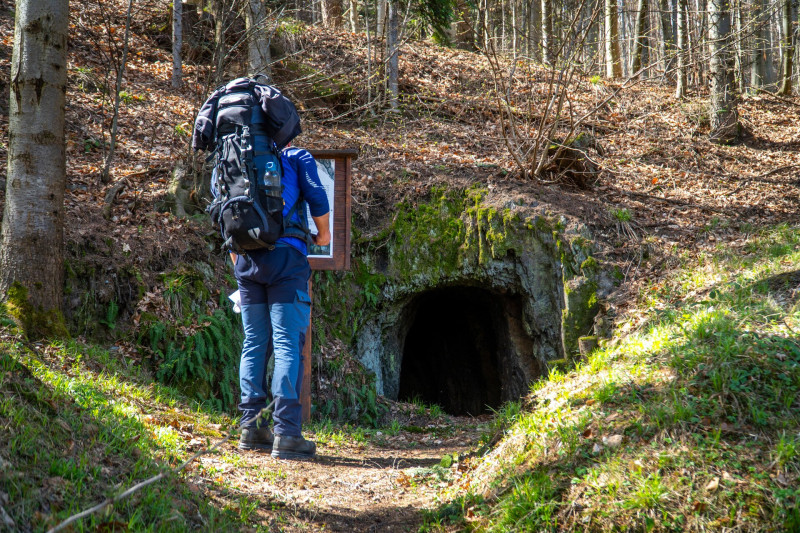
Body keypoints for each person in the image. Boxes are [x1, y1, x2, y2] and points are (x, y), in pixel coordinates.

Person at [233, 145, 330, 459]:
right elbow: (316, 195)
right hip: (287, 258)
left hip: (246, 261)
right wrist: (324, 236)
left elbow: (222, 210)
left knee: (254, 342)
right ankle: (287, 433)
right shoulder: (296, 157)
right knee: (288, 342)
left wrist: (238, 258)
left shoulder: (231, 156)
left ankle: (251, 427)